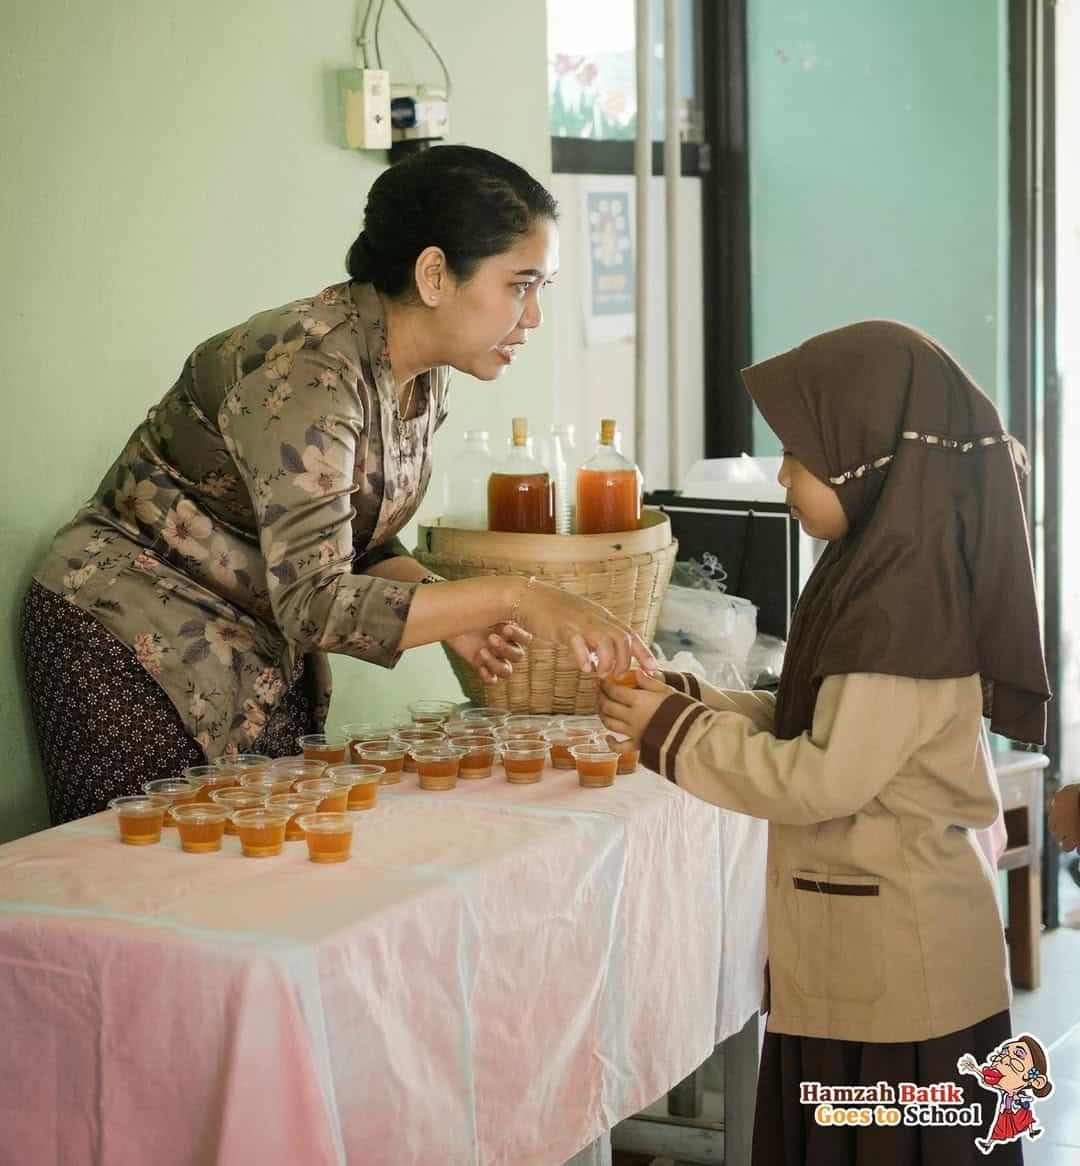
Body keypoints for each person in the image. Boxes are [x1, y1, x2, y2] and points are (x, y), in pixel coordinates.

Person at [22, 145, 653, 825]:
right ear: (435, 274)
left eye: (542, 290)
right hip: (130, 639)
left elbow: (357, 535)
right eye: (520, 285)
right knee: (147, 892)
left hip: (246, 644)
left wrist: (445, 604)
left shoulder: (416, 370)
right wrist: (516, 598)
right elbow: (316, 603)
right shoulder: (310, 372)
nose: (532, 318)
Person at [598, 321, 1050, 1166]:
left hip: (903, 993)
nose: (782, 475)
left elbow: (819, 779)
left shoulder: (904, 613)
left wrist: (671, 733)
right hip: (865, 967)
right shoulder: (873, 574)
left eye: (801, 453)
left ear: (866, 459)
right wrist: (690, 700)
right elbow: (819, 723)